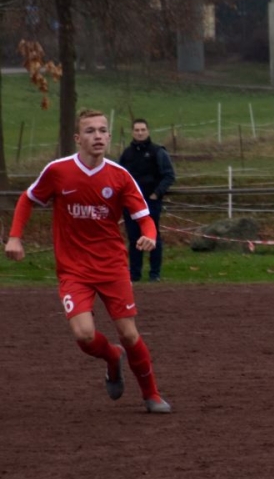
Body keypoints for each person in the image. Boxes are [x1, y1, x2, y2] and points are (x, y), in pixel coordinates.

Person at [4, 109, 172, 414]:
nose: (97, 136)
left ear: (109, 136)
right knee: (83, 335)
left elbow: (144, 217)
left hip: (112, 266)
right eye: (90, 131)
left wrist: (149, 235)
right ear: (77, 138)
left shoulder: (120, 176)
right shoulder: (58, 171)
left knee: (129, 333)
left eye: (102, 130)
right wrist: (15, 237)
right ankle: (112, 357)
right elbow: (28, 198)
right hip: (73, 269)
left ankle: (152, 394)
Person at [118, 118, 175, 282]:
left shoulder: (158, 152)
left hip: (151, 202)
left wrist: (157, 193)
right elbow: (119, 176)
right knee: (134, 238)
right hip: (130, 203)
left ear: (148, 131)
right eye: (137, 130)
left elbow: (169, 175)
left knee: (152, 236)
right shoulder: (126, 154)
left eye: (143, 130)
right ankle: (134, 274)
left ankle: (154, 273)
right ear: (132, 132)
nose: (140, 133)